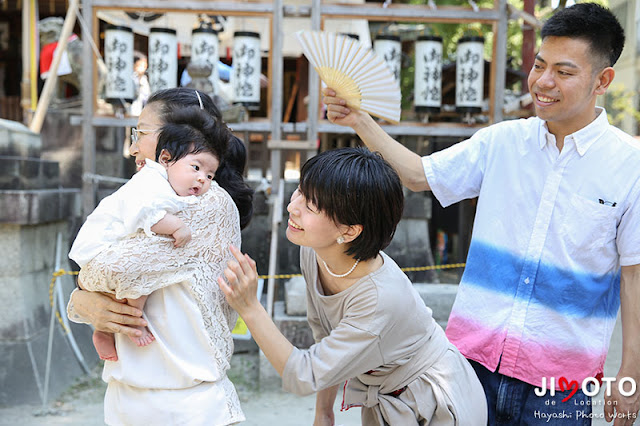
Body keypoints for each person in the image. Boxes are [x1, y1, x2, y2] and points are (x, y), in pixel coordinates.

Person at [323, 3, 640, 425]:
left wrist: (631, 373)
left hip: (560, 386)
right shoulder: (502, 142)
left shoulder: (629, 167)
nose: (543, 82)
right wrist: (360, 120)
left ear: (602, 80)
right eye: (539, 65)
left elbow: (634, 276)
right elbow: (419, 175)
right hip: (468, 364)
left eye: (563, 72)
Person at [218, 147, 487, 425]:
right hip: (387, 393)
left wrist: (250, 307)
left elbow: (303, 375)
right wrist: (323, 412)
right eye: (299, 190)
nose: (291, 206)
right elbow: (323, 333)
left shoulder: (379, 298)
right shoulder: (314, 249)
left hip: (435, 401)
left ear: (349, 231)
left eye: (310, 205)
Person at [67, 88, 253, 425]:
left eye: (141, 133)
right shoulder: (155, 199)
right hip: (127, 400)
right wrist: (84, 298)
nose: (133, 147)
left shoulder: (208, 204)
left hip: (190, 407)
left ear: (178, 140)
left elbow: (112, 269)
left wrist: (81, 293)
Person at [69, 105, 227, 362]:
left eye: (209, 175)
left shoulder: (207, 201)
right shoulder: (153, 182)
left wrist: (82, 291)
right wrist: (175, 226)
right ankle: (129, 322)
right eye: (196, 169)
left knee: (140, 277)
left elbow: (132, 265)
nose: (202, 180)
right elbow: (147, 217)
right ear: (166, 156)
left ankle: (115, 328)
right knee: (139, 280)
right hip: (101, 244)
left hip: (177, 374)